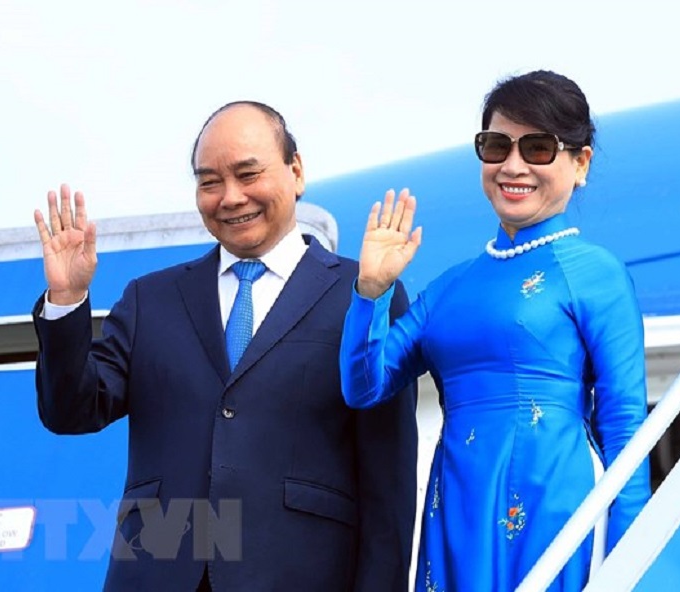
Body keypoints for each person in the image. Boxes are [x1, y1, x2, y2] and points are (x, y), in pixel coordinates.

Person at [32, 101, 418, 591]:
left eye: (248, 174)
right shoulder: (152, 299)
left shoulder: (362, 294)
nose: (231, 197)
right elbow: (70, 410)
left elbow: (388, 480)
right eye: (210, 182)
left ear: (296, 171)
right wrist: (67, 300)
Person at [339, 70, 651, 591]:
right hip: (458, 504)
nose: (513, 165)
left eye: (537, 148)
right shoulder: (449, 286)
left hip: (555, 503)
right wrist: (371, 292)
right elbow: (364, 387)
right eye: (496, 145)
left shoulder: (596, 272)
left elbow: (625, 425)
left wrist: (632, 562)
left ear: (581, 163)